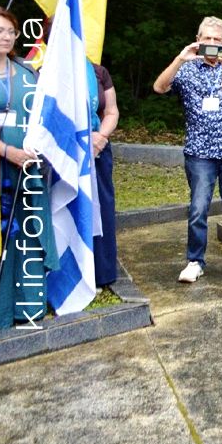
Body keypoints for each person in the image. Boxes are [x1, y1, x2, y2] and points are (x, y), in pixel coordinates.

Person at [0, 6, 57, 332]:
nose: (6, 37)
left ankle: (28, 307)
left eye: (11, 31)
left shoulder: (25, 71)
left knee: (27, 235)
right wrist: (7, 151)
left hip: (27, 170)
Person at [152, 16, 222, 283]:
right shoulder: (186, 69)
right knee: (198, 210)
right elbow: (159, 87)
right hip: (199, 152)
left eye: (217, 40)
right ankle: (195, 261)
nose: (211, 44)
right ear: (197, 40)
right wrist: (181, 58)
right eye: (206, 38)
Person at [91, 62, 119, 288]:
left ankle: (102, 272)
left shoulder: (98, 72)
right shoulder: (45, 71)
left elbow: (111, 110)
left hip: (98, 146)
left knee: (101, 207)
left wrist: (101, 136)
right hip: (64, 150)